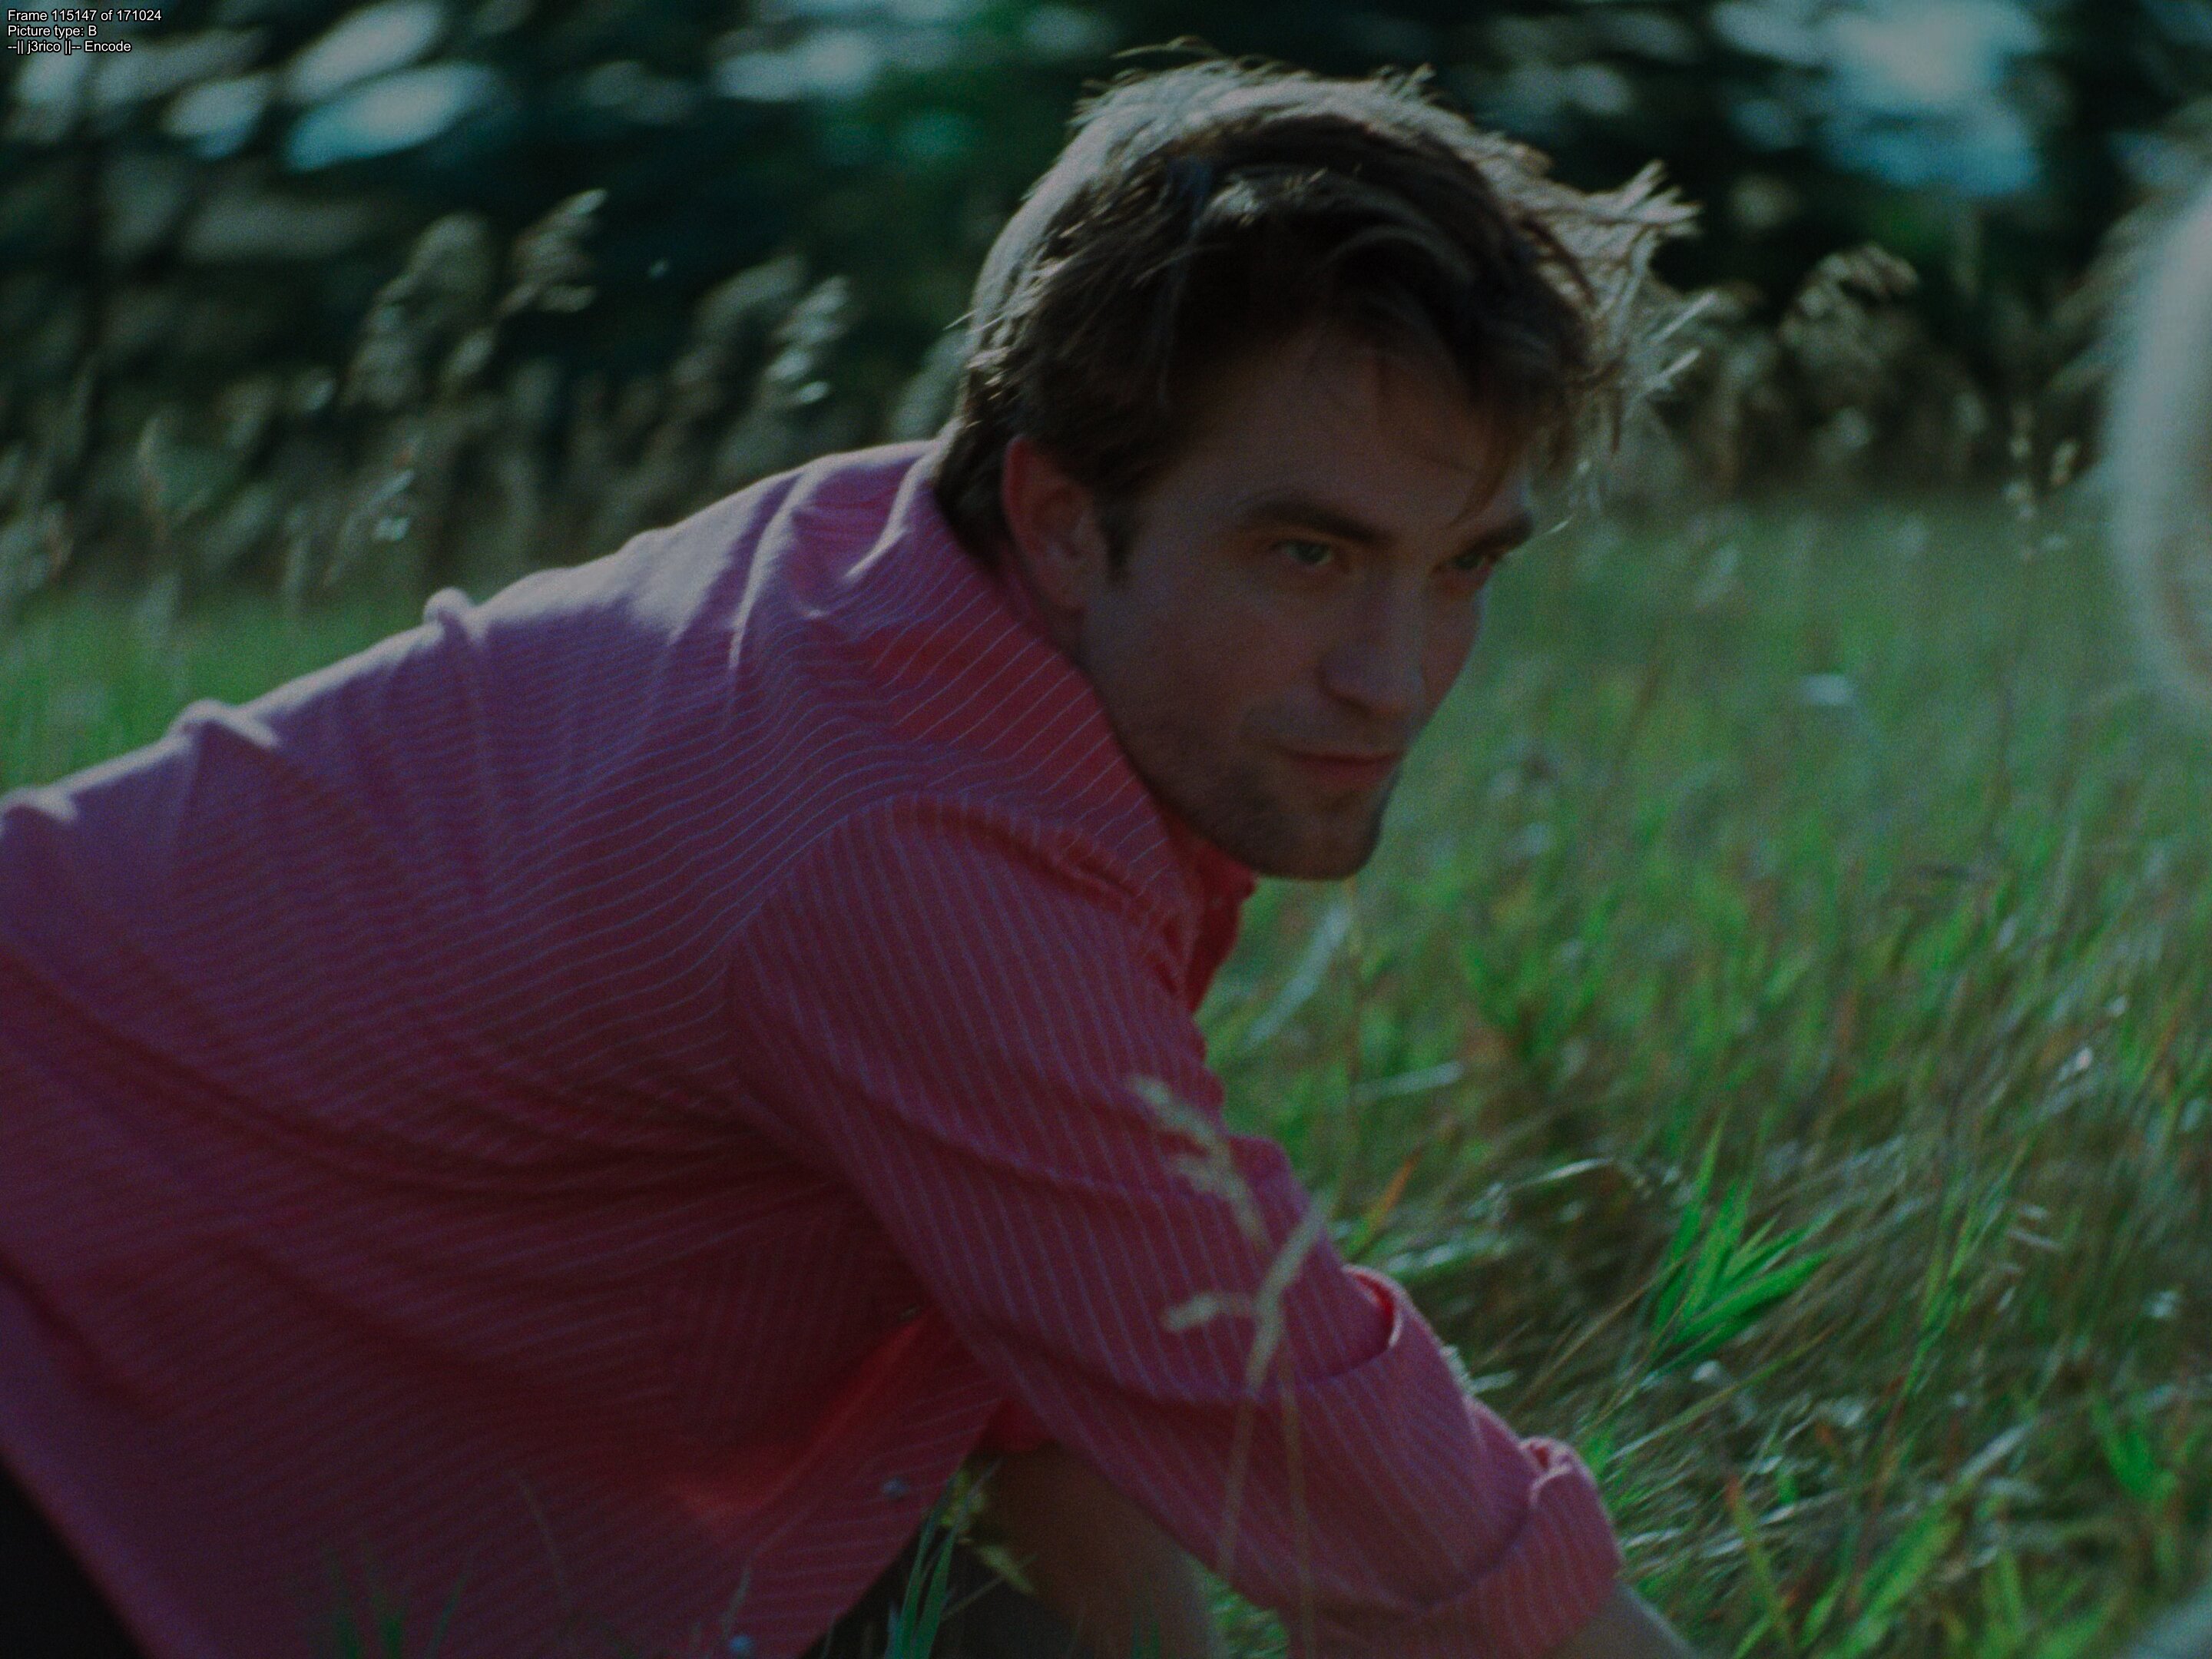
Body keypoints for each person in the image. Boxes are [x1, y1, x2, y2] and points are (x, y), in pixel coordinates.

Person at [0, 57, 1695, 1659]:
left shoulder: (932, 594)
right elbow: (1330, 1451)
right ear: (1062, 518)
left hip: (347, 1396)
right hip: (72, 1396)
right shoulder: (908, 836)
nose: (1395, 677)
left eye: (1464, 567)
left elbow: (1056, 1345)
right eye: (1308, 554)